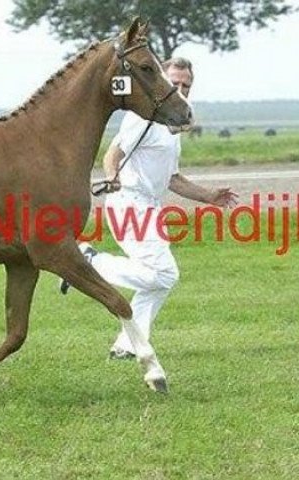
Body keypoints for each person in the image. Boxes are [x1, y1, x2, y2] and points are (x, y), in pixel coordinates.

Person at [60, 57, 238, 359]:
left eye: (186, 85)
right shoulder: (143, 118)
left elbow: (172, 178)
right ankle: (87, 261)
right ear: (163, 82)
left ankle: (127, 345)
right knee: (165, 275)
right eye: (176, 83)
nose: (181, 89)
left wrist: (209, 197)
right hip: (129, 202)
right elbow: (112, 153)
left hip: (150, 208)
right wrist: (113, 176)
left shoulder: (170, 125)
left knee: (158, 281)